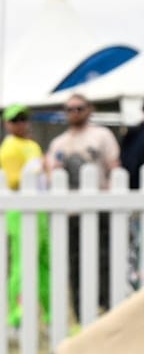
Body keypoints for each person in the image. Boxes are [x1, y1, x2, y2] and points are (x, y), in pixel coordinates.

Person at [44, 94, 120, 315]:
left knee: (104, 260)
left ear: (89, 109)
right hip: (71, 214)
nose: (74, 113)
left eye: (79, 108)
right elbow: (51, 175)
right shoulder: (58, 143)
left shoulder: (102, 135)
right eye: (69, 109)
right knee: (75, 265)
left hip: (100, 210)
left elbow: (114, 167)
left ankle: (108, 309)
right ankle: (81, 312)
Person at [0, 106, 49, 333]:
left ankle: (50, 315)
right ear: (7, 124)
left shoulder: (33, 146)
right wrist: (36, 171)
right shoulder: (8, 149)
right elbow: (12, 181)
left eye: (24, 119)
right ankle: (16, 317)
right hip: (19, 211)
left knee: (45, 263)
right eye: (16, 120)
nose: (21, 123)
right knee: (22, 265)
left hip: (40, 210)